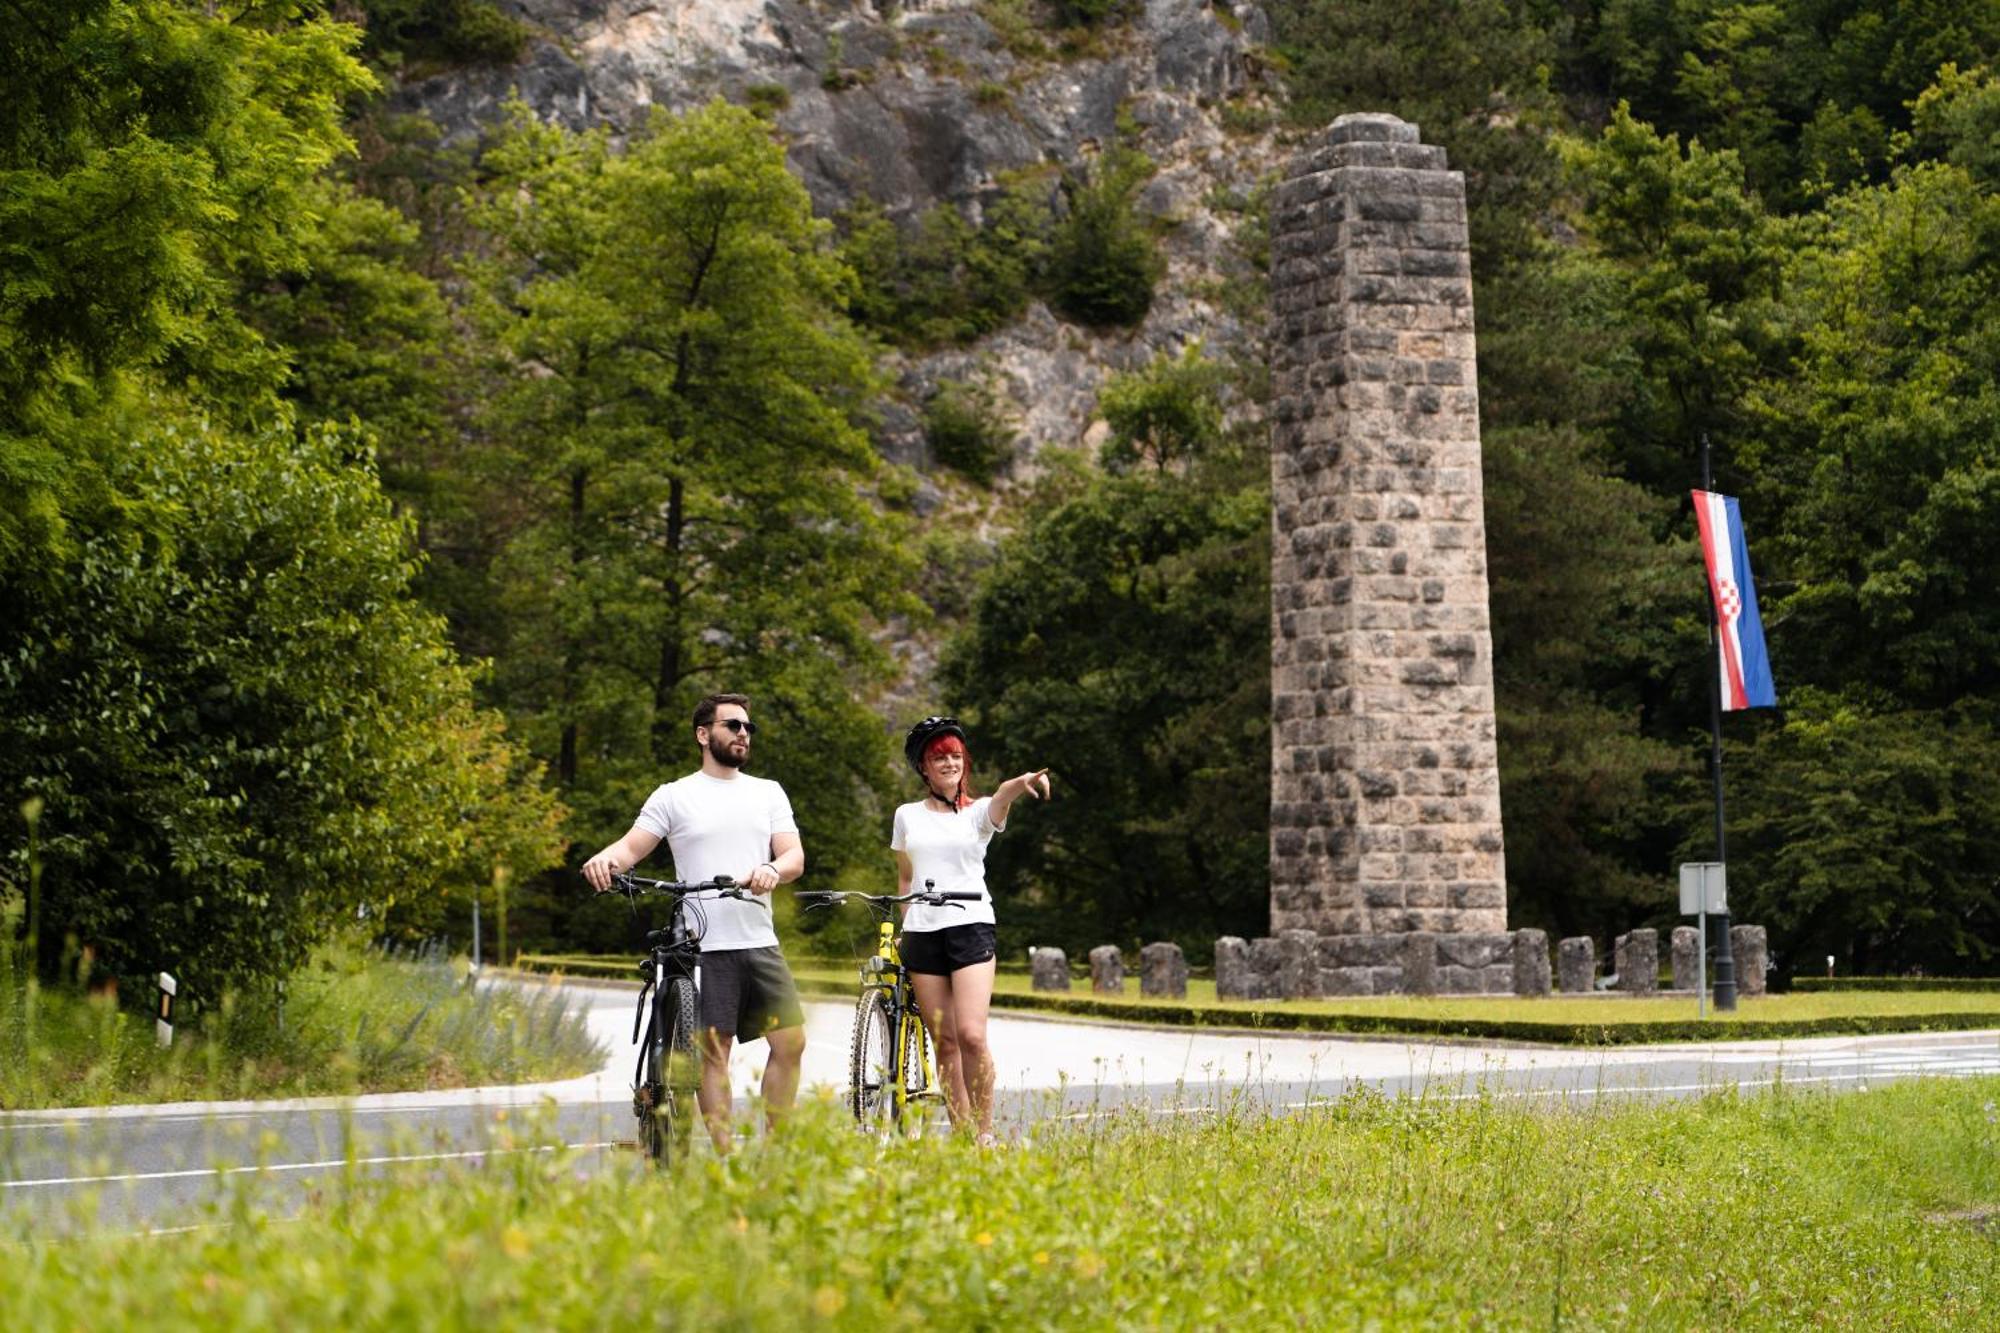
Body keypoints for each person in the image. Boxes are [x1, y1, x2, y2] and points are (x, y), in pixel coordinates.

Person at [583, 693, 806, 1154]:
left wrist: (772, 870)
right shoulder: (674, 795)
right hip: (704, 942)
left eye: (748, 727)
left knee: (791, 1043)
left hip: (759, 937)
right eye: (733, 725)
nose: (743, 733)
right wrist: (604, 861)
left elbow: (793, 856)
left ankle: (777, 1153)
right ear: (704, 735)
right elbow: (628, 850)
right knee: (714, 1051)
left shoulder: (768, 791)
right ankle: (727, 1157)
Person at [892, 715, 1050, 1147]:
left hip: (971, 926)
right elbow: (906, 878)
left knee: (971, 1036)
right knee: (943, 1039)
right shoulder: (906, 816)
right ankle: (962, 1136)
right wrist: (902, 926)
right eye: (939, 757)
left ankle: (984, 1133)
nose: (949, 763)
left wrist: (1021, 782)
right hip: (923, 933)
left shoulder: (978, 814)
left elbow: (1000, 797)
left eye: (956, 756)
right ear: (924, 767)